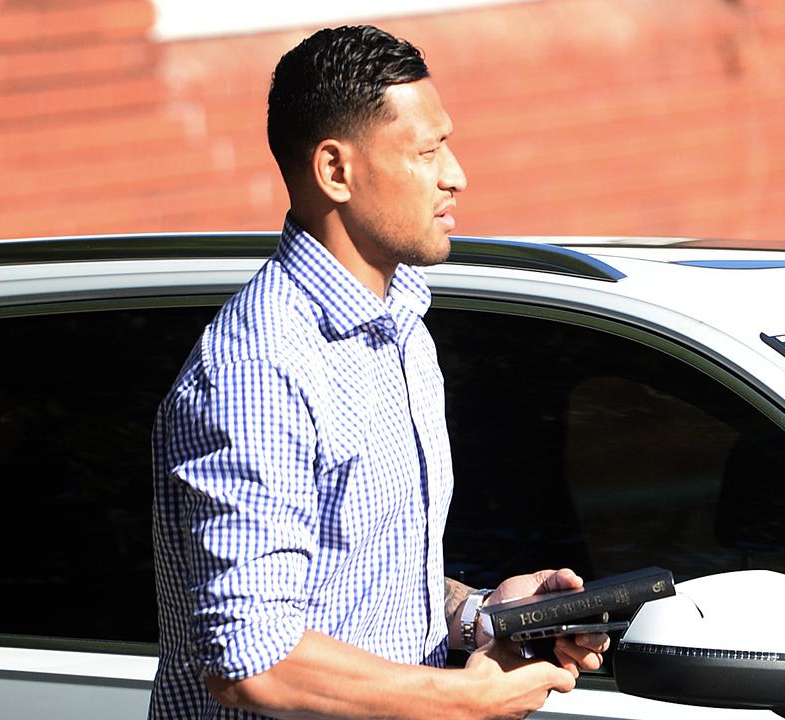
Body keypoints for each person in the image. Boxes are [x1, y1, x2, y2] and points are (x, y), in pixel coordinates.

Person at [150, 25, 608, 720]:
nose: (456, 174)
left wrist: (487, 616)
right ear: (336, 170)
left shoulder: (401, 331)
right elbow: (252, 659)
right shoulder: (259, 368)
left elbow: (358, 591)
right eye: (427, 152)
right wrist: (463, 699)